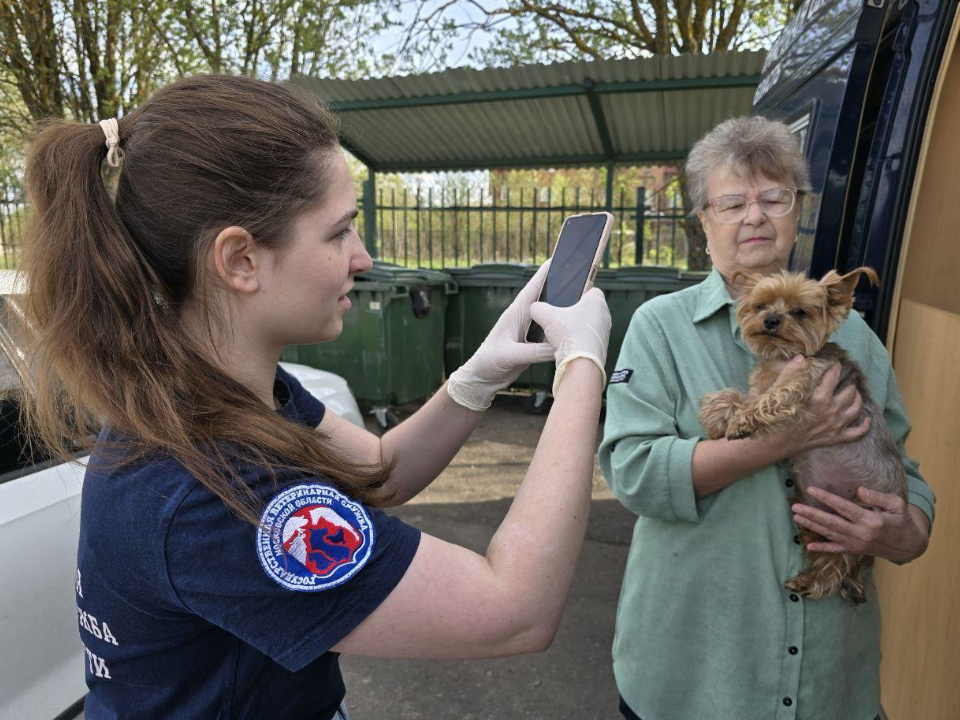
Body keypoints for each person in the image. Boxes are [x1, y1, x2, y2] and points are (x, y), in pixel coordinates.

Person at [19, 74, 611, 720]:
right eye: (339, 233)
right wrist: (582, 371)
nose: (362, 257)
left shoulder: (218, 389)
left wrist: (478, 376)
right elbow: (513, 610)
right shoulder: (215, 488)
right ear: (240, 260)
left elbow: (379, 470)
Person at [598, 116, 934, 720]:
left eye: (773, 197)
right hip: (694, 675)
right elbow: (633, 473)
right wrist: (788, 438)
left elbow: (903, 472)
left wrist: (907, 533)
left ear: (797, 210)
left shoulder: (854, 333)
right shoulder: (659, 327)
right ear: (703, 221)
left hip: (832, 682)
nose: (754, 215)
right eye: (732, 202)